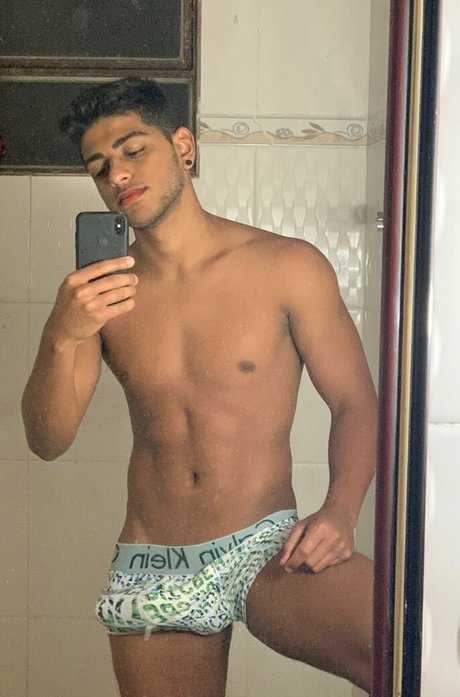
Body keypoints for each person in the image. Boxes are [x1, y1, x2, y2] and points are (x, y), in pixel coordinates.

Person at [22, 77, 377, 697]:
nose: (117, 175)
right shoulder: (100, 297)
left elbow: (355, 401)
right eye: (99, 167)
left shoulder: (287, 266)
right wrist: (62, 335)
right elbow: (47, 440)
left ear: (183, 147)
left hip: (266, 546)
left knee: (408, 650)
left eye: (134, 151)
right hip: (152, 564)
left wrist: (341, 511)